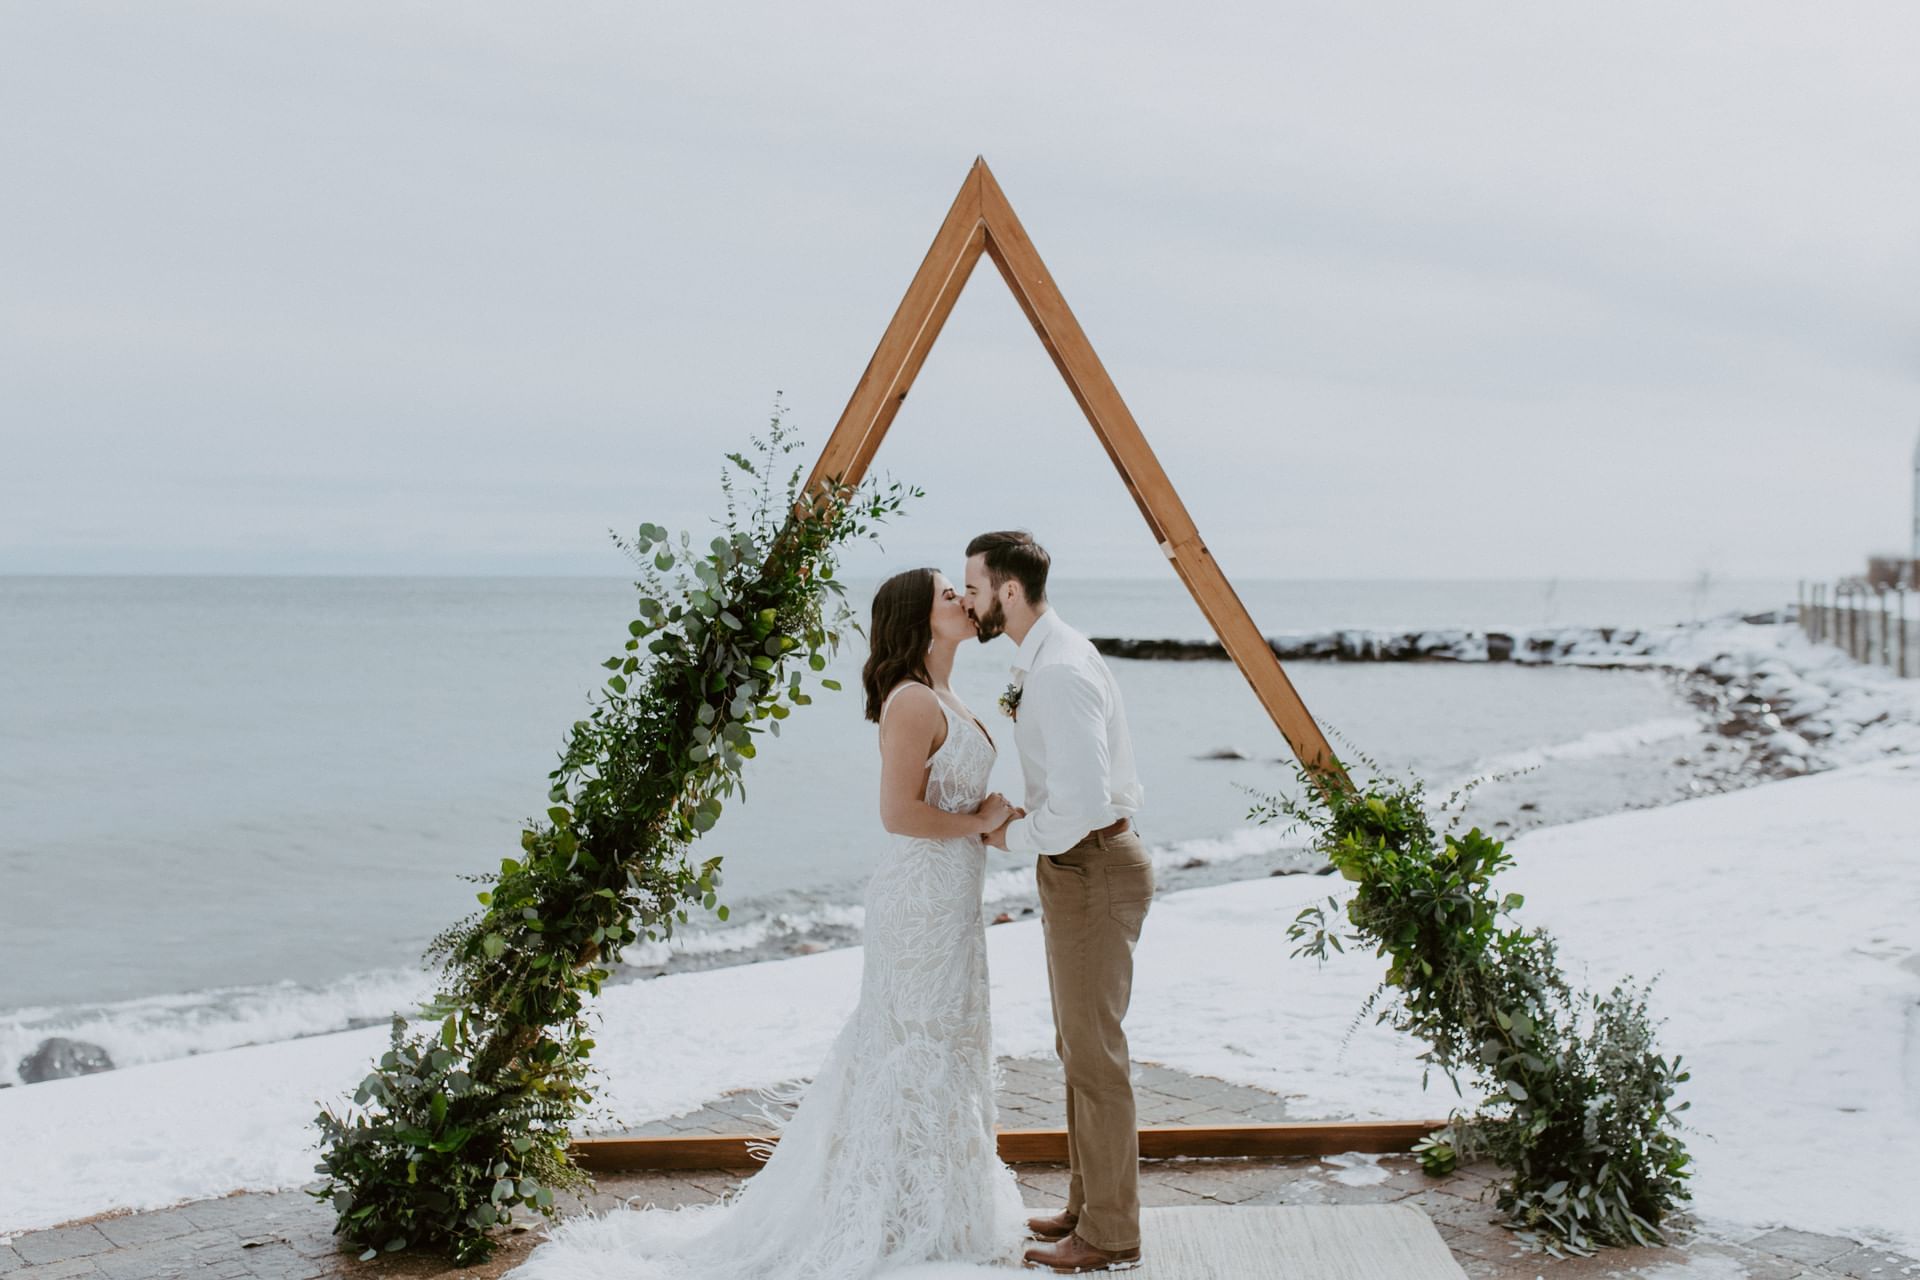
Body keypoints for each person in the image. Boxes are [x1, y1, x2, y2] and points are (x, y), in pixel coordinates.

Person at [503, 567, 1027, 1280]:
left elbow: (956, 806)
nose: (966, 601)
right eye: (948, 595)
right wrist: (978, 821)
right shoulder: (910, 700)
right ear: (917, 618)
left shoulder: (950, 695)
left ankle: (929, 1204)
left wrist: (997, 827)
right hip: (917, 905)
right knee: (910, 1047)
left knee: (948, 1041)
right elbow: (899, 815)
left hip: (954, 901)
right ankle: (882, 1210)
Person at [963, 530, 1151, 1275]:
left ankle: (1110, 1236)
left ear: (1009, 591)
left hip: (1092, 865)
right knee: (1078, 1048)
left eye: (973, 587)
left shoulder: (1060, 672)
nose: (967, 598)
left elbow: (1075, 806)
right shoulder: (1045, 656)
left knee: (1096, 1057)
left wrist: (1003, 835)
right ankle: (1089, 1205)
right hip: (1079, 867)